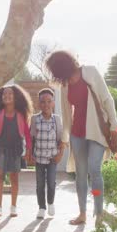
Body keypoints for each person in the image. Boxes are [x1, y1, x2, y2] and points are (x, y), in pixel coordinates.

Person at [44, 51, 117, 228]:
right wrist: (64, 139)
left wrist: (114, 125)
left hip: (97, 132)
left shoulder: (90, 72)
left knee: (95, 170)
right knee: (80, 175)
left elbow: (107, 99)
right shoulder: (64, 85)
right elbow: (66, 113)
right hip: (78, 134)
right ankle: (83, 214)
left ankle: (99, 213)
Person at [0, 84, 33, 217]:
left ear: (15, 97)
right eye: (4, 94)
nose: (7, 96)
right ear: (1, 97)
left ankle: (13, 207)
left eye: (10, 94)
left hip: (16, 147)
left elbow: (26, 133)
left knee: (14, 177)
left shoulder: (21, 114)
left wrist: (29, 150)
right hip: (1, 146)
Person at [30, 88, 64, 219]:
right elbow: (31, 138)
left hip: (52, 158)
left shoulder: (57, 120)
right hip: (38, 158)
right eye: (43, 102)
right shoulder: (34, 119)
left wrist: (60, 154)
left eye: (49, 101)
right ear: (39, 104)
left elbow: (61, 140)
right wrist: (30, 154)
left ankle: (50, 203)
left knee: (51, 182)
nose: (46, 104)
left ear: (53, 103)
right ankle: (42, 207)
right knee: (40, 184)